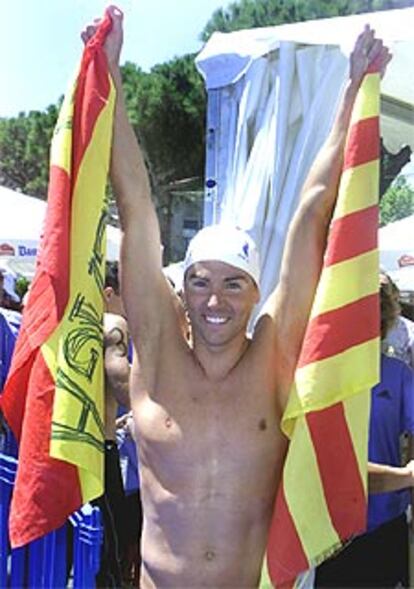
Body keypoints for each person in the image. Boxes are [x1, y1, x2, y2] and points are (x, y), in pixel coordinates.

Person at [82, 9, 392, 587]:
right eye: (200, 280)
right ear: (182, 289)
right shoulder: (157, 350)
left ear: (256, 294)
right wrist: (111, 76)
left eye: (233, 283)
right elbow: (136, 204)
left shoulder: (272, 354)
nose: (215, 299)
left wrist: (353, 91)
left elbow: (312, 211)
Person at [315, 276, 414, 588]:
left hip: (383, 525)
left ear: (383, 320)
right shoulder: (314, 378)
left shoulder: (399, 375)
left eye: (370, 313)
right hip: (323, 531)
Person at [92, 261, 131, 588]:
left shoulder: (68, 323)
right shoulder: (112, 323)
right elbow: (121, 383)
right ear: (108, 293)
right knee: (113, 546)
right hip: (101, 450)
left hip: (67, 444)